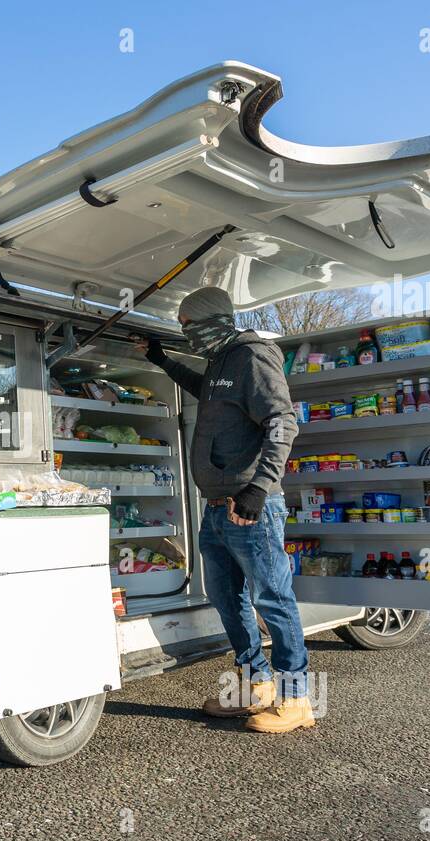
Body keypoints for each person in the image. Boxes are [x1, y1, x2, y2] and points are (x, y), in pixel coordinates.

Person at [139, 287, 314, 733]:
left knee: (272, 598)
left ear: (212, 322)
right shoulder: (219, 361)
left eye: (188, 327)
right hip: (216, 507)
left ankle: (297, 700)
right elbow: (209, 392)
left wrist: (259, 489)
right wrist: (162, 360)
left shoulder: (253, 356)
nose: (186, 334)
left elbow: (282, 420)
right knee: (226, 597)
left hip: (249, 506)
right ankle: (256, 685)